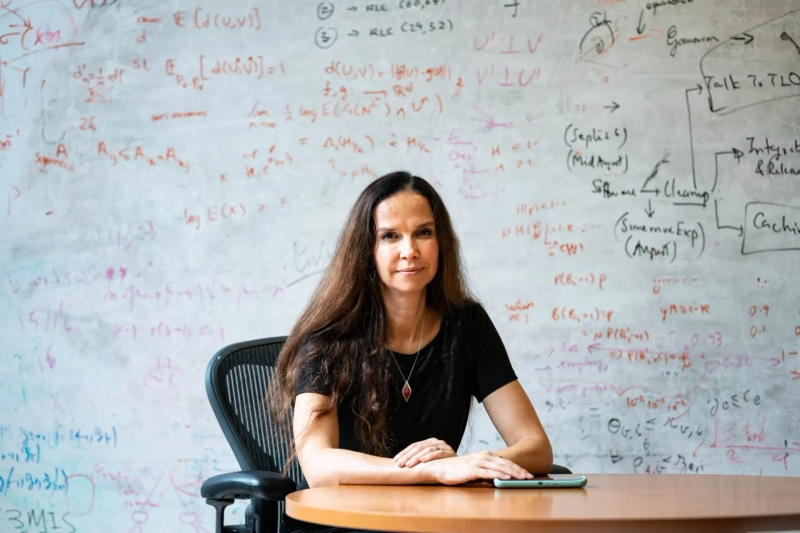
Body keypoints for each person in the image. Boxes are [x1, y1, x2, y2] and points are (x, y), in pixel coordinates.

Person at [270, 171, 552, 532]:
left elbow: (536, 447)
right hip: (342, 523)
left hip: (432, 522)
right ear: (366, 249)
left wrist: (472, 466)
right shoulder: (329, 338)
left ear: (441, 241)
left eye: (423, 232)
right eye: (390, 236)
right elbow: (319, 467)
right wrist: (432, 470)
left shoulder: (467, 325)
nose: (410, 251)